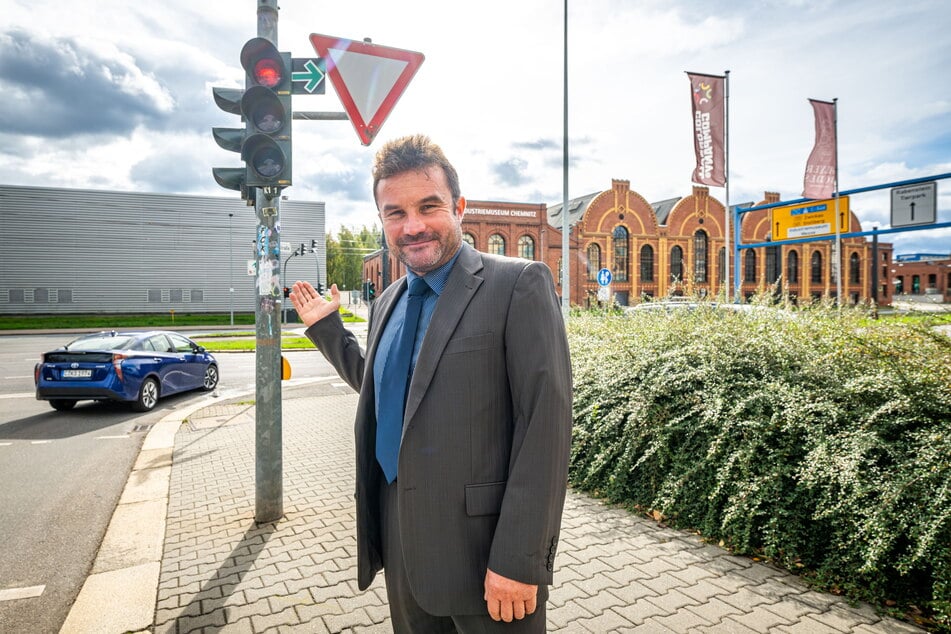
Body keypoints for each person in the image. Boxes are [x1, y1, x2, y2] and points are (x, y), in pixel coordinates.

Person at [289, 134, 572, 633]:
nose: (413, 226)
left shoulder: (517, 284)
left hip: (486, 557)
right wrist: (328, 330)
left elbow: (545, 428)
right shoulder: (388, 302)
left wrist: (519, 559)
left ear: (458, 207)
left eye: (429, 206)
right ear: (382, 221)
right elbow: (390, 392)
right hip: (403, 549)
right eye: (395, 213)